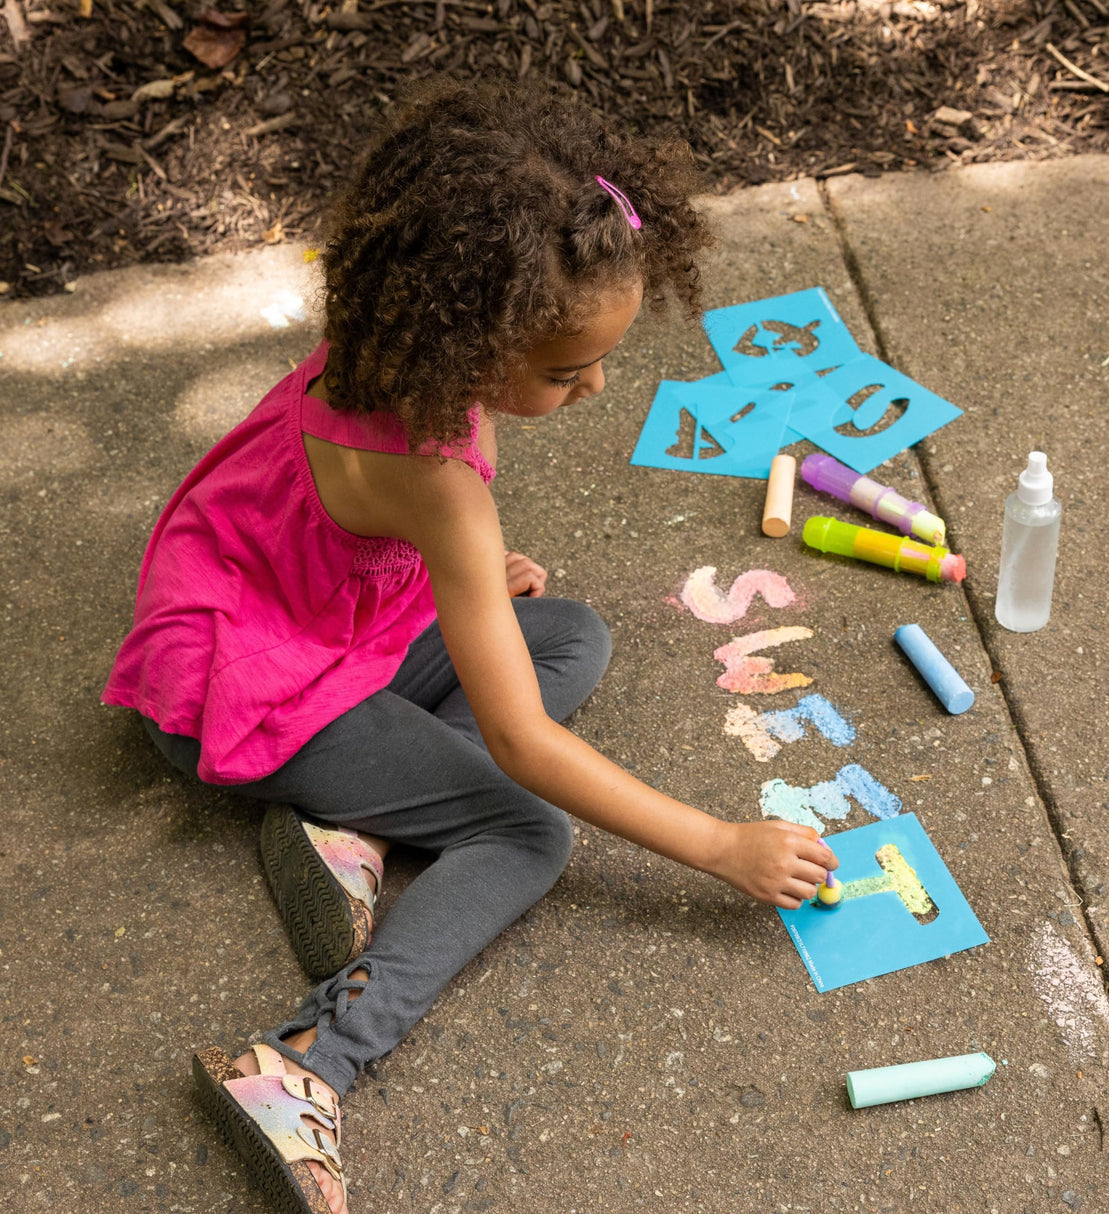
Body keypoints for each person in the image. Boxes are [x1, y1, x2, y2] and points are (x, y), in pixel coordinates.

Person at [102, 80, 837, 1214]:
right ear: (474, 332)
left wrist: (451, 576)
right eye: (561, 370)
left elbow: (343, 507)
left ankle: (347, 821)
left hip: (299, 608)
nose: (592, 387)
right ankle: (305, 1059)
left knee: (570, 635)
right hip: (233, 681)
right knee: (527, 828)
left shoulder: (403, 335)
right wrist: (716, 842)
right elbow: (521, 742)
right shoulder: (441, 482)